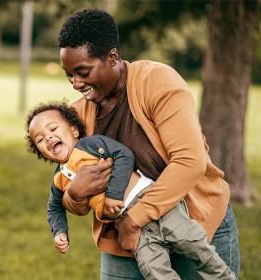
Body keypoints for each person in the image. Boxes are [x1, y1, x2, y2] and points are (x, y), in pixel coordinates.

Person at [46, 8, 240, 279]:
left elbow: (189, 162)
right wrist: (75, 195)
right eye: (69, 75)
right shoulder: (79, 115)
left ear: (112, 57)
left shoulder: (157, 82)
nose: (76, 84)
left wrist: (136, 219)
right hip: (128, 244)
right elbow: (75, 194)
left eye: (83, 71)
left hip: (195, 224)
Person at [26, 102, 236, 280]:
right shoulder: (59, 179)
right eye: (40, 139)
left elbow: (124, 155)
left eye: (53, 129)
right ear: (40, 152)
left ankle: (223, 277)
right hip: (129, 226)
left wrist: (114, 195)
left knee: (193, 243)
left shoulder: (90, 145)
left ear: (73, 130)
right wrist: (60, 232)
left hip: (151, 202)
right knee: (153, 268)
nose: (48, 138)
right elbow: (54, 208)